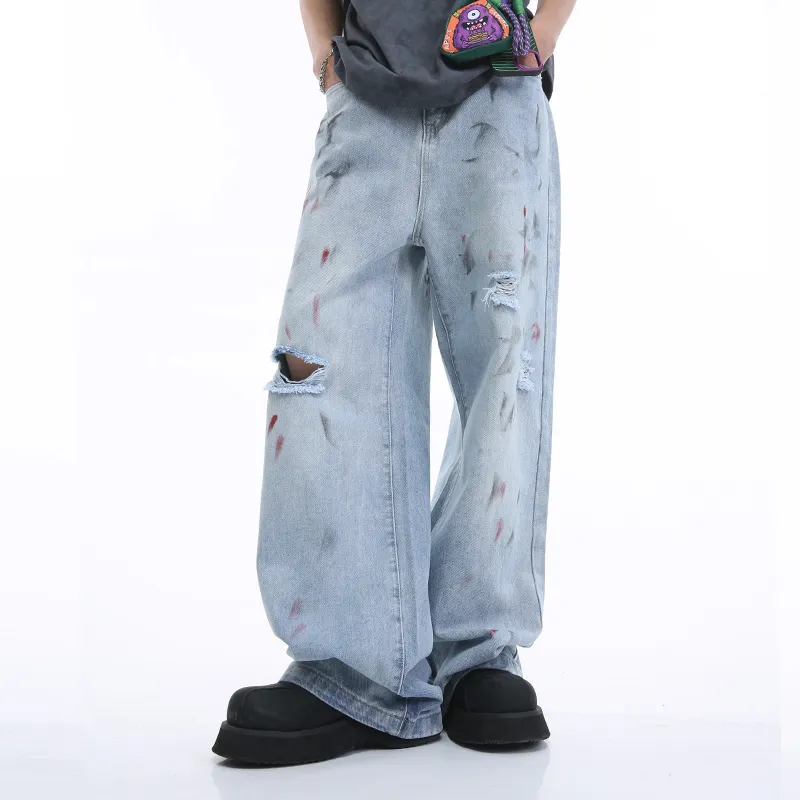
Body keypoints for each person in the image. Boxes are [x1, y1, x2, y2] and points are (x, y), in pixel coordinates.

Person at [212, 0, 576, 766]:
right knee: (324, 362)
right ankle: (355, 664)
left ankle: (477, 647)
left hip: (495, 92)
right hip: (367, 95)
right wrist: (325, 57)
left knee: (503, 373)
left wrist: (541, 37)